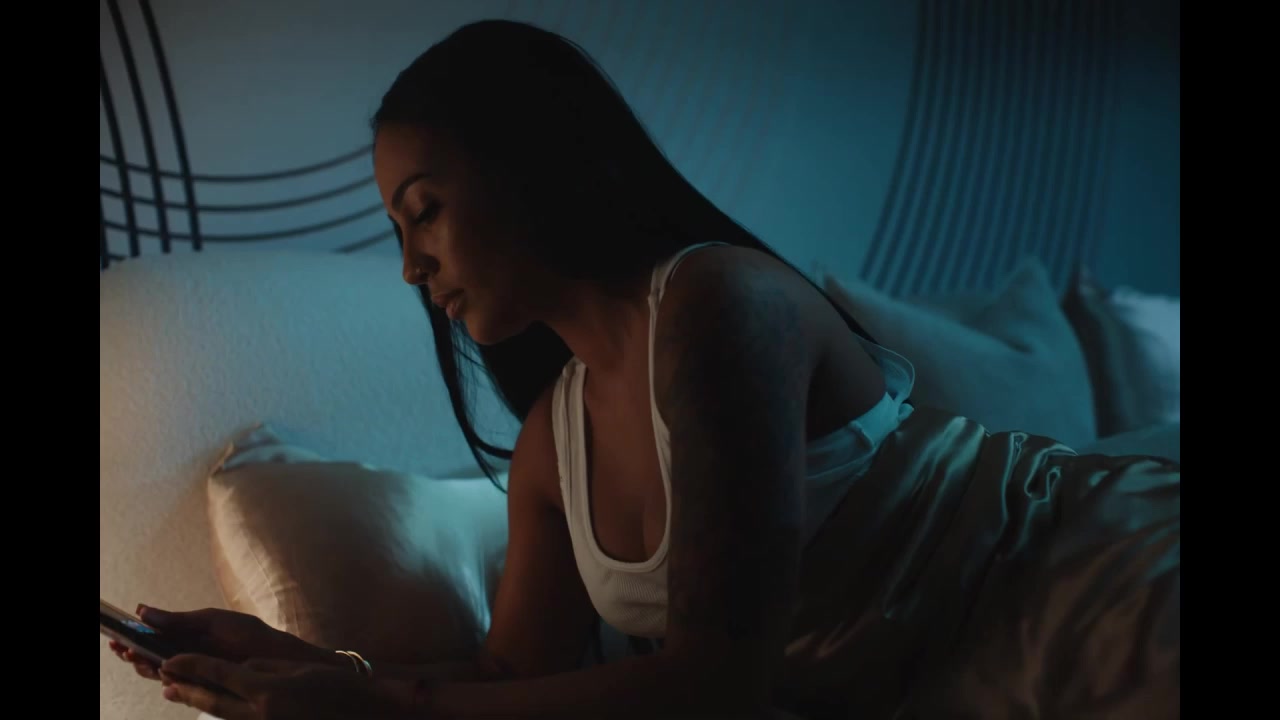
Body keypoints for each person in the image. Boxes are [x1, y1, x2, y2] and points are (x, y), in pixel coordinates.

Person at [110, 19, 1180, 720]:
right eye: (398, 227)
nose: (409, 266)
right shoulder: (552, 442)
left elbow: (718, 680)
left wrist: (380, 710)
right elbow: (510, 680)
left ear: (528, 166)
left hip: (1085, 586)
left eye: (424, 211)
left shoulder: (715, 304)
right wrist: (290, 660)